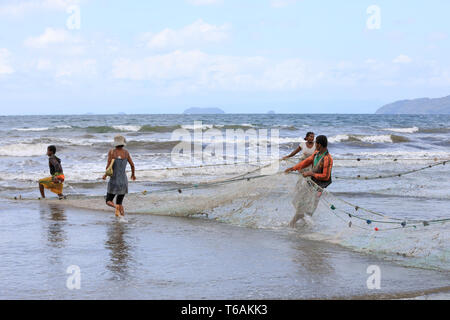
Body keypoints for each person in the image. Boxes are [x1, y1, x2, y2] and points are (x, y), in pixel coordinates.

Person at [284, 135, 333, 227]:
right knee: (297, 200)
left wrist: (311, 173)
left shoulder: (327, 158)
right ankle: (303, 221)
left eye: (316, 143)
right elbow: (306, 162)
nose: (315, 144)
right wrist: (292, 168)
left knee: (309, 205)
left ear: (319, 144)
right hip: (311, 182)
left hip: (319, 186)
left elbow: (326, 177)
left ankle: (294, 224)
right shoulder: (317, 153)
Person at [102, 135, 136, 217]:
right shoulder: (126, 153)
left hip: (114, 180)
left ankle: (115, 207)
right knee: (120, 202)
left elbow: (108, 166)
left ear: (115, 143)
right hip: (123, 181)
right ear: (123, 143)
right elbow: (132, 165)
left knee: (108, 200)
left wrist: (105, 175)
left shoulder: (112, 152)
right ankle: (122, 219)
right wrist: (133, 175)